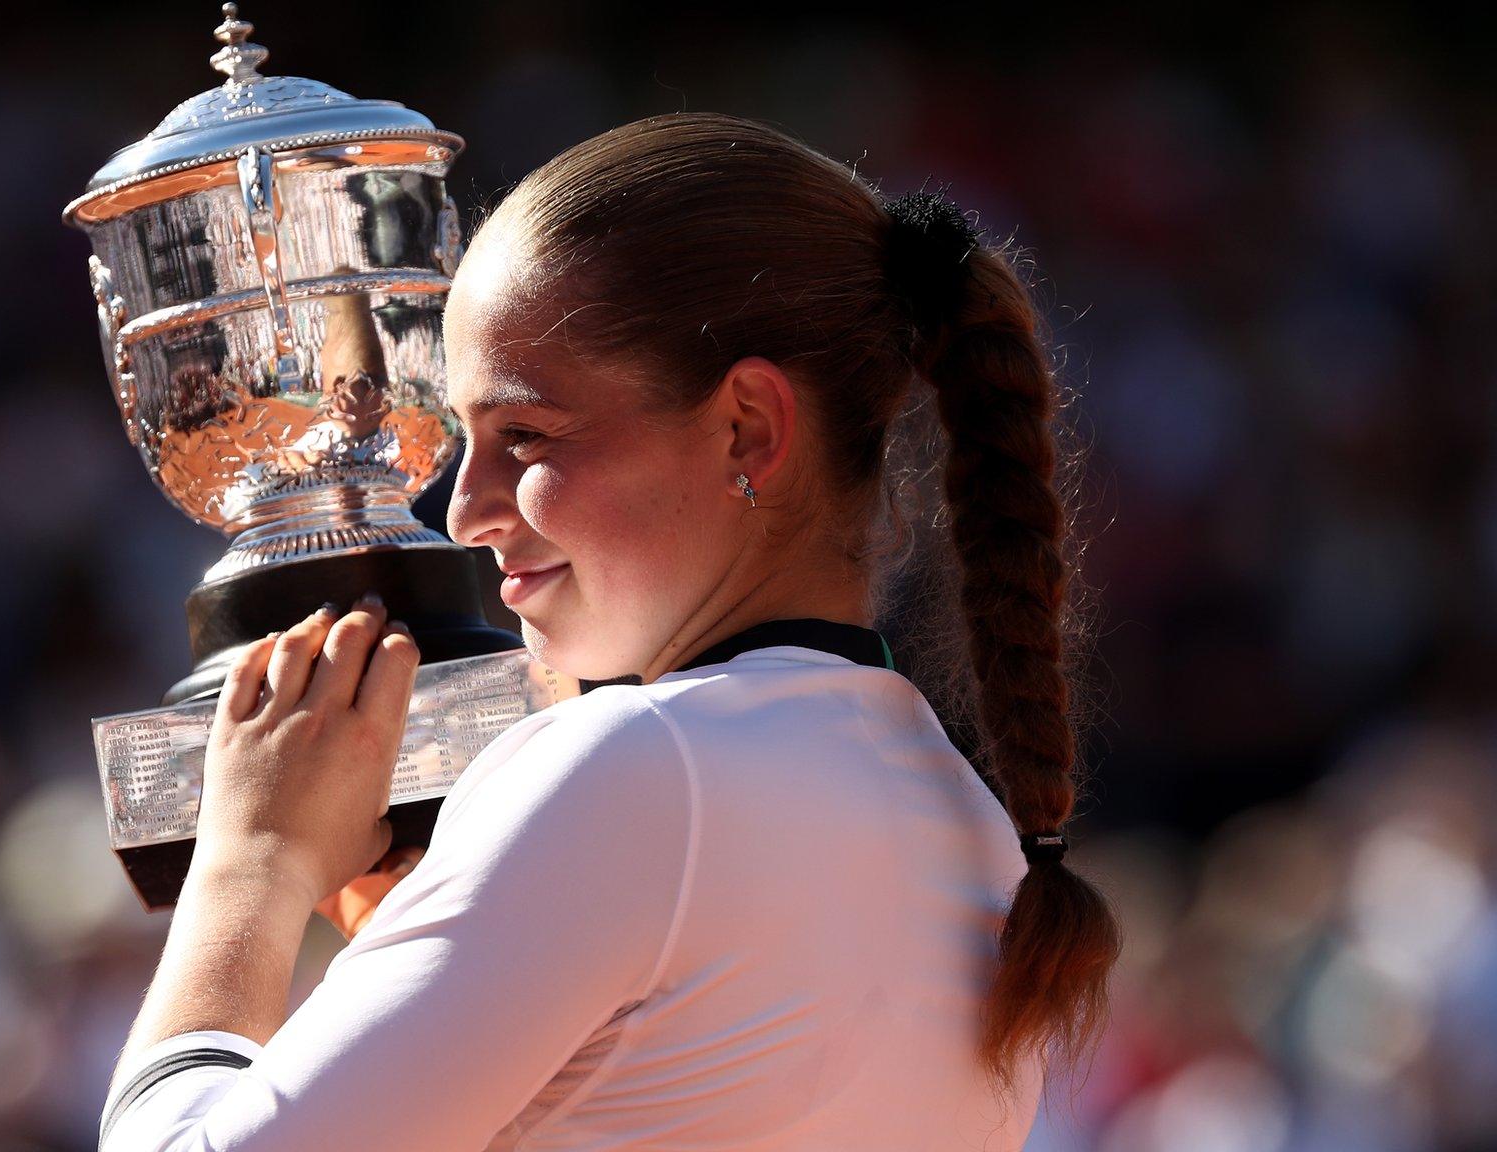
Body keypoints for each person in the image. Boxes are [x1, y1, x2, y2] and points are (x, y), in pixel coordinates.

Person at [97, 112, 1122, 1151]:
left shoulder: (632, 769)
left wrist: (252, 865)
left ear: (747, 429)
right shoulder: (970, 827)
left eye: (525, 434)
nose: (465, 511)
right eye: (464, 439)